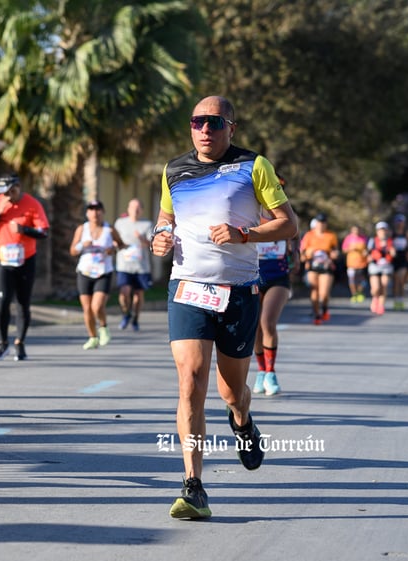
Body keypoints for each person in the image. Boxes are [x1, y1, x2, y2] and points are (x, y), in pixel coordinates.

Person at [151, 96, 297, 519]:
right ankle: (193, 485)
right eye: (198, 121)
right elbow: (166, 219)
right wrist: (159, 237)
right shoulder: (173, 170)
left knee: (231, 391)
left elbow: (289, 224)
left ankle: (242, 420)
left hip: (238, 290)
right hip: (188, 288)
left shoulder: (254, 166)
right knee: (190, 380)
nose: (205, 130)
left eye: (214, 122)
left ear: (231, 127)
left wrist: (243, 234)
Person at [0, 173, 50, 360]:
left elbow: (43, 232)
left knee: (22, 303)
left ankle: (20, 343)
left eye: (11, 191)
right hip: (2, 260)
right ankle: (2, 343)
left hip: (26, 260)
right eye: (4, 192)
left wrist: (24, 230)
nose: (8, 196)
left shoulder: (32, 203)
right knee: (2, 302)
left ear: (18, 187)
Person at [252, 194, 300, 396]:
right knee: (255, 326)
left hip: (278, 278)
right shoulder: (251, 215)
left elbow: (295, 237)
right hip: (253, 276)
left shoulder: (287, 215)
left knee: (267, 322)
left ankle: (271, 373)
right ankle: (261, 371)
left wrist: (295, 254)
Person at [69, 200, 124, 350]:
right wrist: (81, 245)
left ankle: (104, 327)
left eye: (98, 209)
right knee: (87, 309)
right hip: (85, 271)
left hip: (103, 271)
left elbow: (120, 244)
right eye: (91, 210)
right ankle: (93, 337)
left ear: (102, 212)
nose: (95, 213)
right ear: (87, 213)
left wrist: (112, 249)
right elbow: (73, 250)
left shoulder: (109, 230)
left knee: (97, 306)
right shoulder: (82, 229)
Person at [113, 198, 153, 331]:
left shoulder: (147, 224)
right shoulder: (120, 223)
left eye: (137, 208)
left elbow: (151, 244)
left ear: (141, 210)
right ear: (128, 209)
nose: (135, 211)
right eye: (132, 208)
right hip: (124, 265)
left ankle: (135, 318)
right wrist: (116, 244)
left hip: (141, 266)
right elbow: (114, 240)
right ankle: (126, 314)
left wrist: (142, 239)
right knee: (124, 292)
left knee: (138, 295)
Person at [299, 213, 339, 324]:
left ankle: (325, 307)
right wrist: (307, 255)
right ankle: (317, 315)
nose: (321, 225)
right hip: (312, 266)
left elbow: (335, 250)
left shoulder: (331, 235)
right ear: (316, 223)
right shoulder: (309, 235)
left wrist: (334, 254)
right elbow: (302, 253)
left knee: (324, 294)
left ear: (326, 224)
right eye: (319, 222)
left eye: (323, 223)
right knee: (314, 290)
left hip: (326, 266)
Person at [367, 221, 395, 315]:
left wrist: (390, 250)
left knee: (384, 285)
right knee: (376, 288)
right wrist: (370, 256)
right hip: (375, 266)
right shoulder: (372, 241)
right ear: (377, 231)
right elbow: (367, 253)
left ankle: (381, 305)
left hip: (386, 267)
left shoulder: (390, 241)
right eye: (380, 230)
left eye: (384, 230)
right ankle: (375, 298)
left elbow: (393, 254)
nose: (382, 232)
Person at [390, 214, 408, 311]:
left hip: (403, 259)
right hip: (393, 259)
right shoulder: (392, 234)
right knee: (395, 281)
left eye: (401, 222)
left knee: (401, 279)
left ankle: (401, 299)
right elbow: (388, 244)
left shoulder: (406, 234)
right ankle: (396, 301)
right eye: (398, 221)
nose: (400, 224)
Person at [341, 225, 369, 304]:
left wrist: (365, 253)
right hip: (351, 263)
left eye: (357, 230)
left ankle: (359, 292)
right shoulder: (348, 238)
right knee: (352, 280)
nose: (356, 232)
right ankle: (354, 294)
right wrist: (350, 249)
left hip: (362, 263)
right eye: (354, 230)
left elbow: (367, 249)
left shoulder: (364, 238)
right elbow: (344, 250)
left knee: (362, 280)